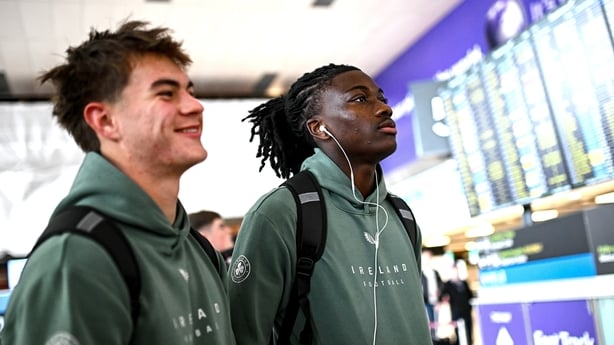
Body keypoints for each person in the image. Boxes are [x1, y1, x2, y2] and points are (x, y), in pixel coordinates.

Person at [0, 20, 236, 345]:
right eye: (166, 93)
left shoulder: (198, 248)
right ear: (105, 121)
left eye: (190, 91)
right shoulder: (77, 260)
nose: (195, 106)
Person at [228, 63, 432, 345]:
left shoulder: (401, 214)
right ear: (320, 128)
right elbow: (243, 333)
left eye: (382, 98)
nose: (385, 109)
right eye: (360, 99)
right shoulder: (282, 212)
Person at [439, 261, 474, 345]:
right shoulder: (448, 284)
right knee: (459, 334)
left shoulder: (464, 283)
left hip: (466, 312)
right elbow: (442, 296)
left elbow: (470, 296)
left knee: (469, 332)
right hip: (456, 312)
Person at [421, 248, 444, 327]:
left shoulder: (435, 273)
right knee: (429, 323)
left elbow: (441, 286)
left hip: (436, 302)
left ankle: (435, 338)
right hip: (426, 302)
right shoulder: (420, 274)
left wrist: (440, 298)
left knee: (436, 323)